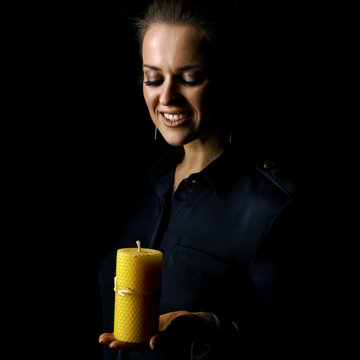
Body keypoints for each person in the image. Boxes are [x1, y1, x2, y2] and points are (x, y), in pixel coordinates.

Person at [98, 0, 317, 359]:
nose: (166, 97)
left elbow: (295, 340)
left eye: (189, 78)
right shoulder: (138, 185)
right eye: (153, 78)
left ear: (225, 78)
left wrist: (217, 330)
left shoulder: (274, 205)